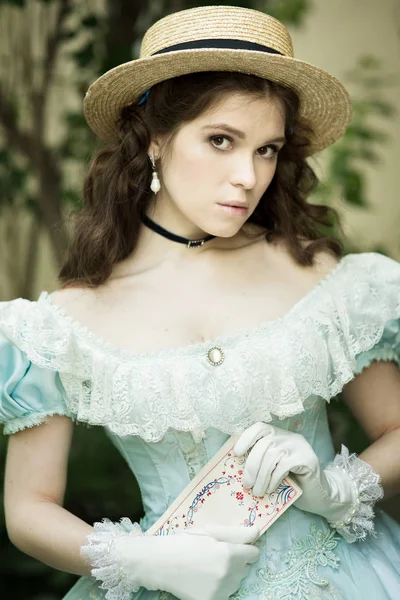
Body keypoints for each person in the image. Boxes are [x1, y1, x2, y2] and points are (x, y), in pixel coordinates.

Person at [1, 4, 400, 600]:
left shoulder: (318, 275)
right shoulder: (64, 322)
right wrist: (146, 561)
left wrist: (333, 486)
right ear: (155, 141)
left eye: (267, 149)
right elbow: (28, 509)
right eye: (221, 140)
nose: (247, 175)